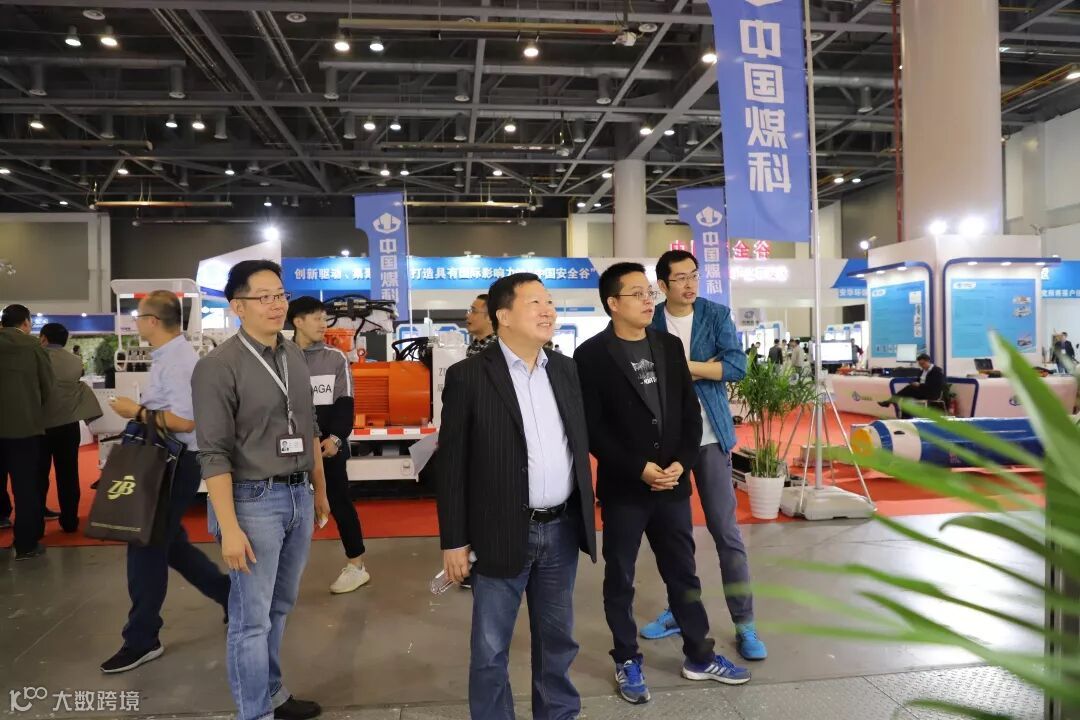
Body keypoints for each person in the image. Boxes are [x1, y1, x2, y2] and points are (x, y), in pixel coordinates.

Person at [575, 262, 751, 705]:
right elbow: (593, 428)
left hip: (673, 482)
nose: (647, 300)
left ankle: (699, 655)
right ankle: (627, 657)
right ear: (613, 303)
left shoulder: (669, 347)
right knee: (621, 576)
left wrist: (680, 463)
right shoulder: (591, 355)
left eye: (647, 292)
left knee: (683, 572)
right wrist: (638, 467)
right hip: (626, 487)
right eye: (636, 293)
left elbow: (690, 414)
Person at [435, 272, 597, 720]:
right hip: (500, 530)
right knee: (490, 650)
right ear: (503, 316)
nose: (548, 311)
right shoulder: (470, 376)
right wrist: (454, 540)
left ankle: (558, 714)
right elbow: (452, 465)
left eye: (550, 302)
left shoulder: (564, 369)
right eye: (535, 303)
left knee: (558, 642)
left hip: (561, 529)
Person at [192, 261, 330, 720]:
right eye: (264, 297)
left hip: (298, 495)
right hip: (252, 502)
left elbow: (308, 426)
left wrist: (319, 490)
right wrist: (229, 528)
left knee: (280, 606)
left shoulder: (292, 354)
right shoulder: (217, 367)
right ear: (238, 307)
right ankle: (255, 713)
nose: (276, 305)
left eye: (280, 295)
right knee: (250, 620)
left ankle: (272, 693)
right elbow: (212, 453)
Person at [643, 250, 767, 662]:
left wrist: (683, 366)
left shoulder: (715, 314)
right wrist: (704, 367)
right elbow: (644, 374)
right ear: (663, 285)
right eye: (679, 278)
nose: (689, 284)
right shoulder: (650, 320)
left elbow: (736, 366)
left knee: (726, 533)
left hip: (711, 437)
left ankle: (745, 623)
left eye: (693, 275)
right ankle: (679, 611)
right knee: (674, 538)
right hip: (666, 442)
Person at [100, 292, 230, 673]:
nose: (136, 322)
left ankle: (142, 639)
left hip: (173, 462)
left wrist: (135, 411)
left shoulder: (178, 361)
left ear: (153, 321)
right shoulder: (169, 357)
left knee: (145, 544)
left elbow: (186, 421)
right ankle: (230, 597)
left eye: (139, 316)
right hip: (166, 460)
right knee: (170, 544)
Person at [287, 296, 370, 594]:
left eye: (325, 318)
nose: (324, 324)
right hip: (289, 448)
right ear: (298, 321)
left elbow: (345, 402)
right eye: (317, 318)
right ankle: (280, 571)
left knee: (338, 502)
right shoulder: (280, 356)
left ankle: (356, 566)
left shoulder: (335, 358)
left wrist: (335, 438)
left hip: (328, 447)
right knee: (286, 505)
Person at [0, 304, 54, 560]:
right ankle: (25, 544)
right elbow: (47, 385)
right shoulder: (32, 346)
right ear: (25, 323)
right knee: (25, 487)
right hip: (24, 428)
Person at [38, 322, 100, 532]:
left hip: (40, 426)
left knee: (38, 475)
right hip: (68, 425)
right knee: (68, 474)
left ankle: (36, 520)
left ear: (43, 338)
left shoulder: (37, 358)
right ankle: (70, 521)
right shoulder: (75, 361)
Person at [878, 353, 944, 411]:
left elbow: (934, 386)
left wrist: (919, 385)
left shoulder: (936, 371)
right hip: (922, 391)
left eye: (923, 364)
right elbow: (919, 380)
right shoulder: (922, 371)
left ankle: (890, 402)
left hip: (932, 393)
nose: (922, 366)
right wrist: (915, 383)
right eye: (920, 364)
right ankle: (904, 415)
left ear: (928, 361)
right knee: (906, 395)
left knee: (908, 389)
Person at [465, 293, 496, 357]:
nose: (467, 315)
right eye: (470, 311)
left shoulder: (497, 349)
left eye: (474, 311)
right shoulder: (473, 347)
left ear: (490, 317)